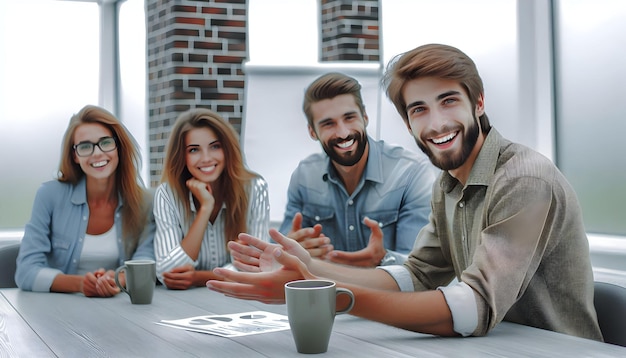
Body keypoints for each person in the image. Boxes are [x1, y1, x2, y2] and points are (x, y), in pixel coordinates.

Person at [206, 44, 603, 341]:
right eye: (419, 110)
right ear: (407, 121)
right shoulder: (448, 183)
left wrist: (324, 294)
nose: (436, 123)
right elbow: (417, 275)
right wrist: (308, 270)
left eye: (448, 101)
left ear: (478, 102)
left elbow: (472, 308)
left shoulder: (525, 181)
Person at [281, 72, 436, 267]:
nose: (343, 133)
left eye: (350, 118)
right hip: (325, 295)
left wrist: (384, 258)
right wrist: (291, 251)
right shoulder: (304, 176)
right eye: (328, 124)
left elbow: (421, 268)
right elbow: (283, 250)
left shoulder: (411, 173)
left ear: (364, 117)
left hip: (388, 296)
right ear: (312, 132)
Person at [15, 105, 155, 297]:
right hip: (57, 311)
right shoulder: (49, 195)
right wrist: (81, 284)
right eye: (85, 146)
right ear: (75, 155)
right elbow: (26, 272)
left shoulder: (145, 202)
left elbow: (146, 261)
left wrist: (115, 280)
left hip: (118, 309)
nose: (97, 153)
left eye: (105, 142)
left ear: (119, 147)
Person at [153, 108, 270, 290]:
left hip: (240, 299)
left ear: (227, 148)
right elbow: (168, 272)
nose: (206, 158)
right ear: (181, 156)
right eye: (194, 150)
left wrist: (200, 278)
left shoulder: (255, 188)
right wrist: (205, 209)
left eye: (215, 146)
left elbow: (257, 267)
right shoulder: (167, 194)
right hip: (183, 305)